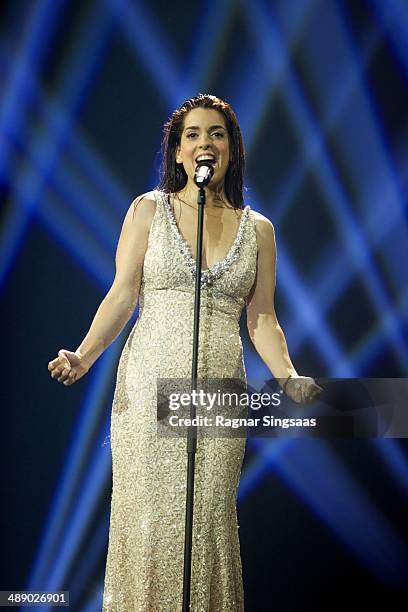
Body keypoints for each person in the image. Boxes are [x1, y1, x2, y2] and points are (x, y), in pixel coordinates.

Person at [48, 94, 322, 611]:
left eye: (216, 134)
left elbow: (261, 317)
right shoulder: (148, 210)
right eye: (192, 134)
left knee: (208, 520)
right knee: (152, 520)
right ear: (177, 152)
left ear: (231, 149)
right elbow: (122, 293)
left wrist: (287, 375)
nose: (204, 143)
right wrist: (84, 355)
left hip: (219, 394)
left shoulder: (259, 230)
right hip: (149, 389)